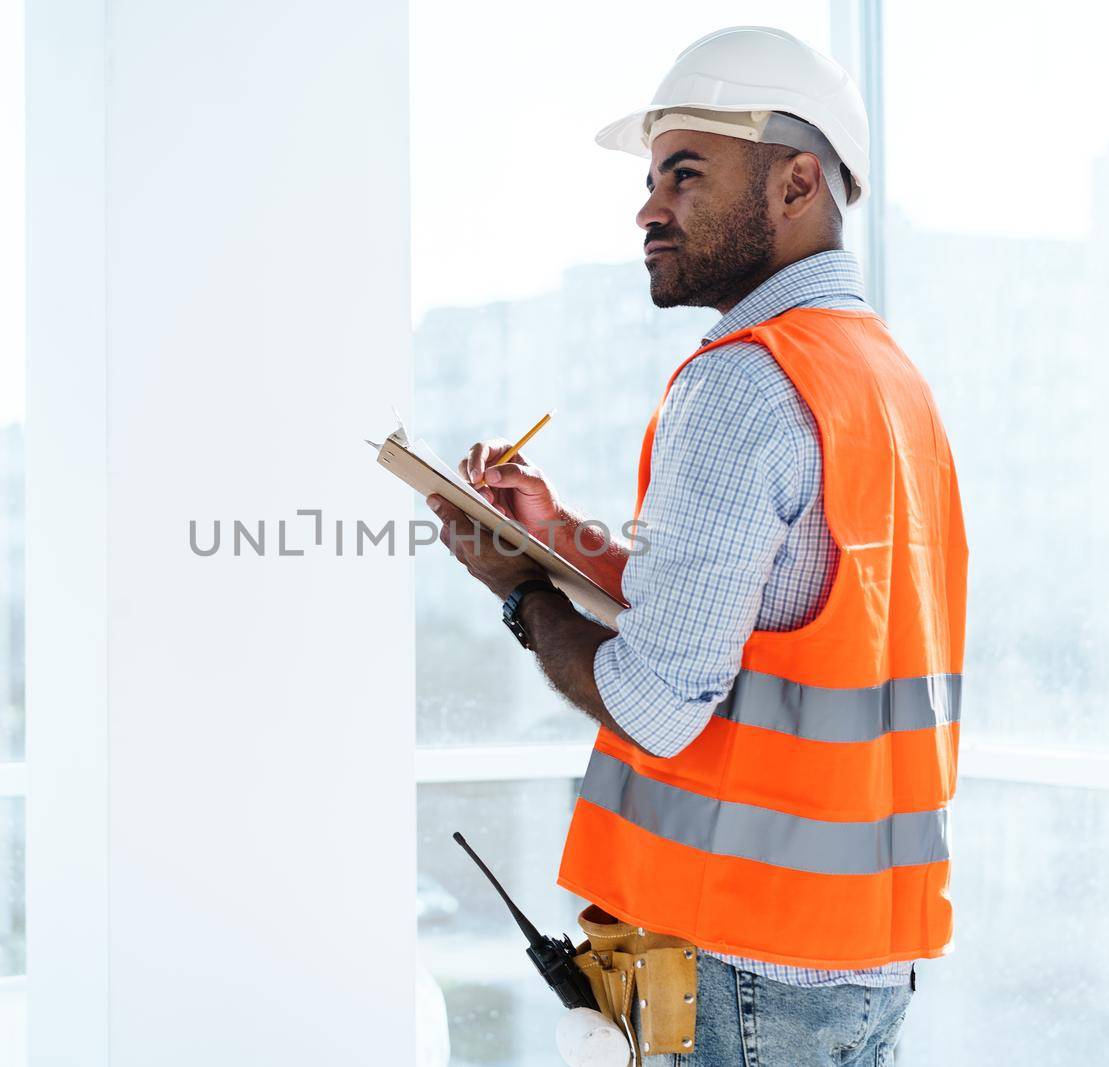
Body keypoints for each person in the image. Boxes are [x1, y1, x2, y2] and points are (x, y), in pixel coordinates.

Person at [426, 26, 967, 1065]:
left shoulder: (741, 381)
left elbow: (655, 699)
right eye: (649, 178)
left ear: (796, 181)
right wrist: (553, 534)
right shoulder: (881, 377)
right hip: (853, 960)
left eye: (684, 173)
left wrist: (516, 590)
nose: (647, 207)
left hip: (743, 967)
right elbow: (762, 614)